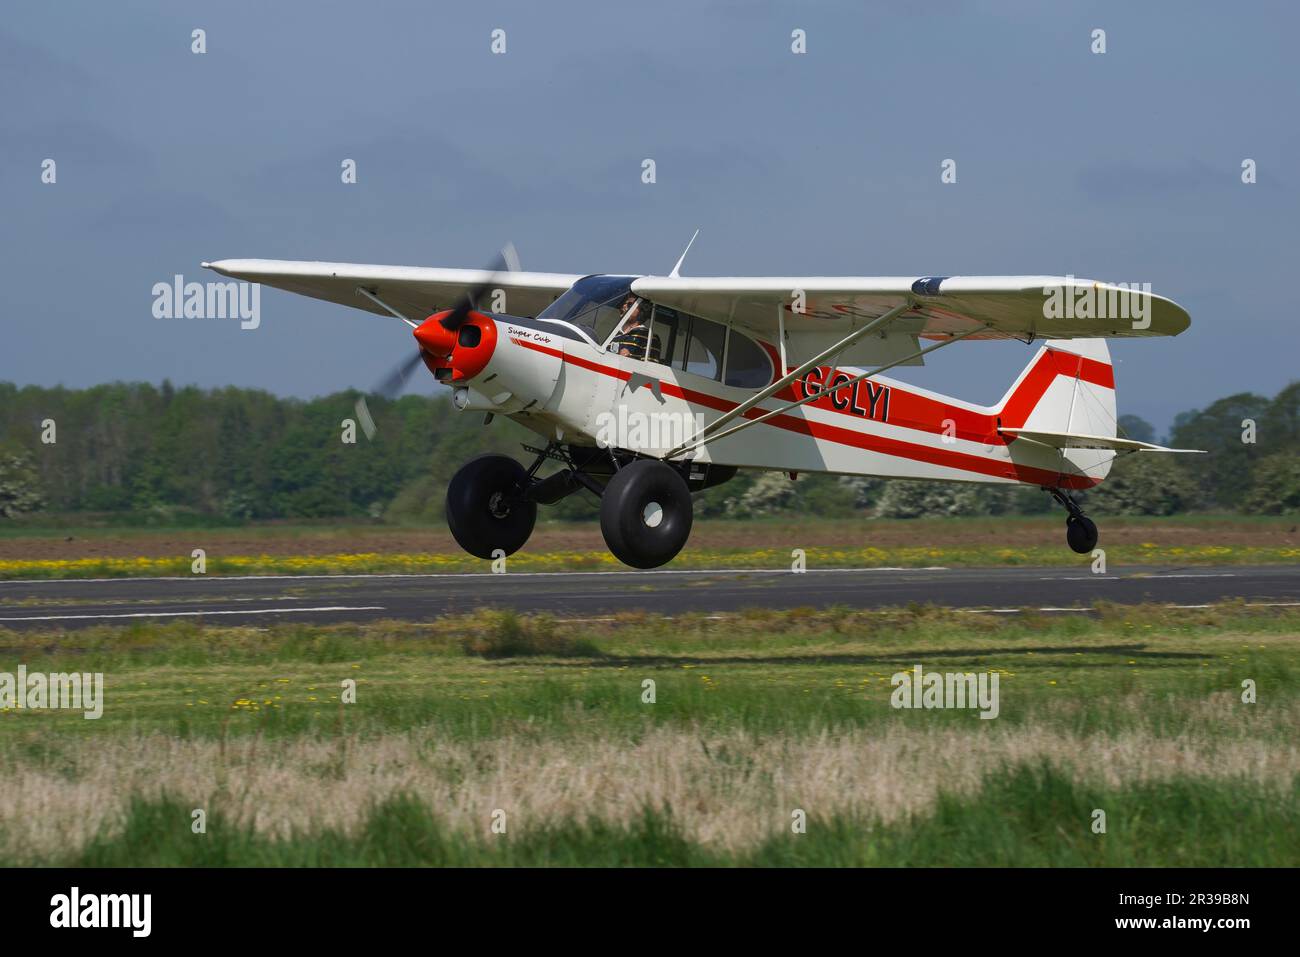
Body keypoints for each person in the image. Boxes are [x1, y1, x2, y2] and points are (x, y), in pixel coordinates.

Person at [610, 295, 662, 362]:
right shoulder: (615, 333)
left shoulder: (650, 337)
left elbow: (650, 366)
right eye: (624, 304)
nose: (624, 306)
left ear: (641, 311)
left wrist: (629, 359)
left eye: (629, 305)